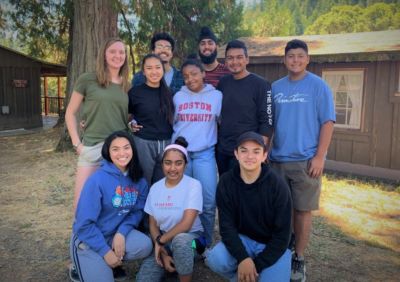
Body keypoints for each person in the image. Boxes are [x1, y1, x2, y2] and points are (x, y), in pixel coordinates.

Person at [269, 39, 335, 282]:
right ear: (284, 60)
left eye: (300, 56)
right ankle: (282, 251)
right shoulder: (275, 88)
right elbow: (270, 125)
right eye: (290, 56)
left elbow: (328, 122)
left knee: (302, 210)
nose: (295, 60)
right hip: (277, 160)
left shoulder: (318, 86)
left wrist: (319, 156)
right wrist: (265, 153)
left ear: (307, 59)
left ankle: (298, 257)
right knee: (280, 211)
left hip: (306, 161)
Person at [205, 131, 292, 282]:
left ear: (264, 155)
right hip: (244, 240)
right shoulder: (226, 182)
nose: (249, 156)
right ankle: (242, 276)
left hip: (272, 245)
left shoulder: (278, 186)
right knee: (215, 259)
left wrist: (255, 266)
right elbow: (227, 227)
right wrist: (243, 258)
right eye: (243, 151)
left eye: (256, 151)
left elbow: (282, 237)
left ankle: (250, 276)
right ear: (236, 154)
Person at [70, 131, 153, 282]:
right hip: (89, 239)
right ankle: (85, 265)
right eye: (115, 149)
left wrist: (122, 232)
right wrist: (105, 251)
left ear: (133, 150)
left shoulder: (139, 180)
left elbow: (137, 211)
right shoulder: (97, 180)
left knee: (145, 245)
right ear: (108, 152)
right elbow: (83, 224)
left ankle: (108, 263)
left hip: (113, 234)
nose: (122, 153)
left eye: (126, 147)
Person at [65, 37, 130, 210]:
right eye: (113, 51)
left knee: (112, 204)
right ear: (104, 54)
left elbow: (126, 116)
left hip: (119, 152)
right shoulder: (87, 79)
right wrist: (77, 143)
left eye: (122, 52)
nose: (118, 55)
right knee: (82, 202)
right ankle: (79, 238)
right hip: (92, 147)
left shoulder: (127, 86)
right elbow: (70, 113)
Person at [136, 137, 204, 282]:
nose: (173, 168)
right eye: (168, 163)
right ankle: (171, 265)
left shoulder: (193, 185)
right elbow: (153, 225)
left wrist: (160, 243)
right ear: (162, 165)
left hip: (192, 240)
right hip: (164, 240)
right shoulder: (155, 188)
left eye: (178, 163)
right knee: (144, 278)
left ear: (185, 165)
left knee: (180, 241)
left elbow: (186, 224)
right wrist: (163, 253)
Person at [172, 58, 222, 247]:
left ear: (203, 73)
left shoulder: (216, 96)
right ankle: (185, 242)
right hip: (181, 156)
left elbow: (223, 121)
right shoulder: (178, 97)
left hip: (204, 153)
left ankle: (206, 243)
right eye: (185, 76)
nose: (190, 79)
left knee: (208, 202)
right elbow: (171, 124)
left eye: (194, 74)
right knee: (184, 201)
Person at [216, 39, 273, 175]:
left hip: (248, 153)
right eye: (230, 58)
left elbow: (267, 121)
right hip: (223, 151)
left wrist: (260, 152)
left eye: (239, 57)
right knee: (227, 191)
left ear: (247, 59)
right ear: (225, 61)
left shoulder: (261, 85)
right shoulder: (223, 83)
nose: (234, 62)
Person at [128, 54, 175, 185]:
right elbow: (128, 115)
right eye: (149, 68)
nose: (154, 72)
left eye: (157, 67)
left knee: (163, 184)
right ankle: (142, 206)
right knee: (143, 182)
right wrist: (130, 124)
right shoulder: (135, 92)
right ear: (143, 71)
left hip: (167, 143)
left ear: (163, 70)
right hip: (144, 143)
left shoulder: (170, 93)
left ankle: (157, 206)